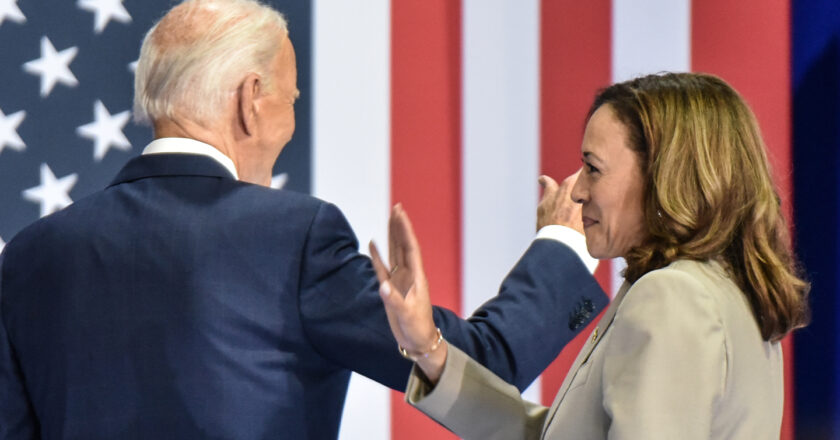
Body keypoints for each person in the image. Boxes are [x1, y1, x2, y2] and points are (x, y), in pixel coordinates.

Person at [0, 0, 607, 439]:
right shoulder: (291, 239)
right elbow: (476, 365)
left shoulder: (28, 255)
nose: (291, 122)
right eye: (291, 100)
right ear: (250, 98)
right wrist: (565, 241)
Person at [372, 72, 811, 439]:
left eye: (593, 168)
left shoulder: (672, 297)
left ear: (664, 177)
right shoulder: (726, 294)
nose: (577, 191)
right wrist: (429, 350)